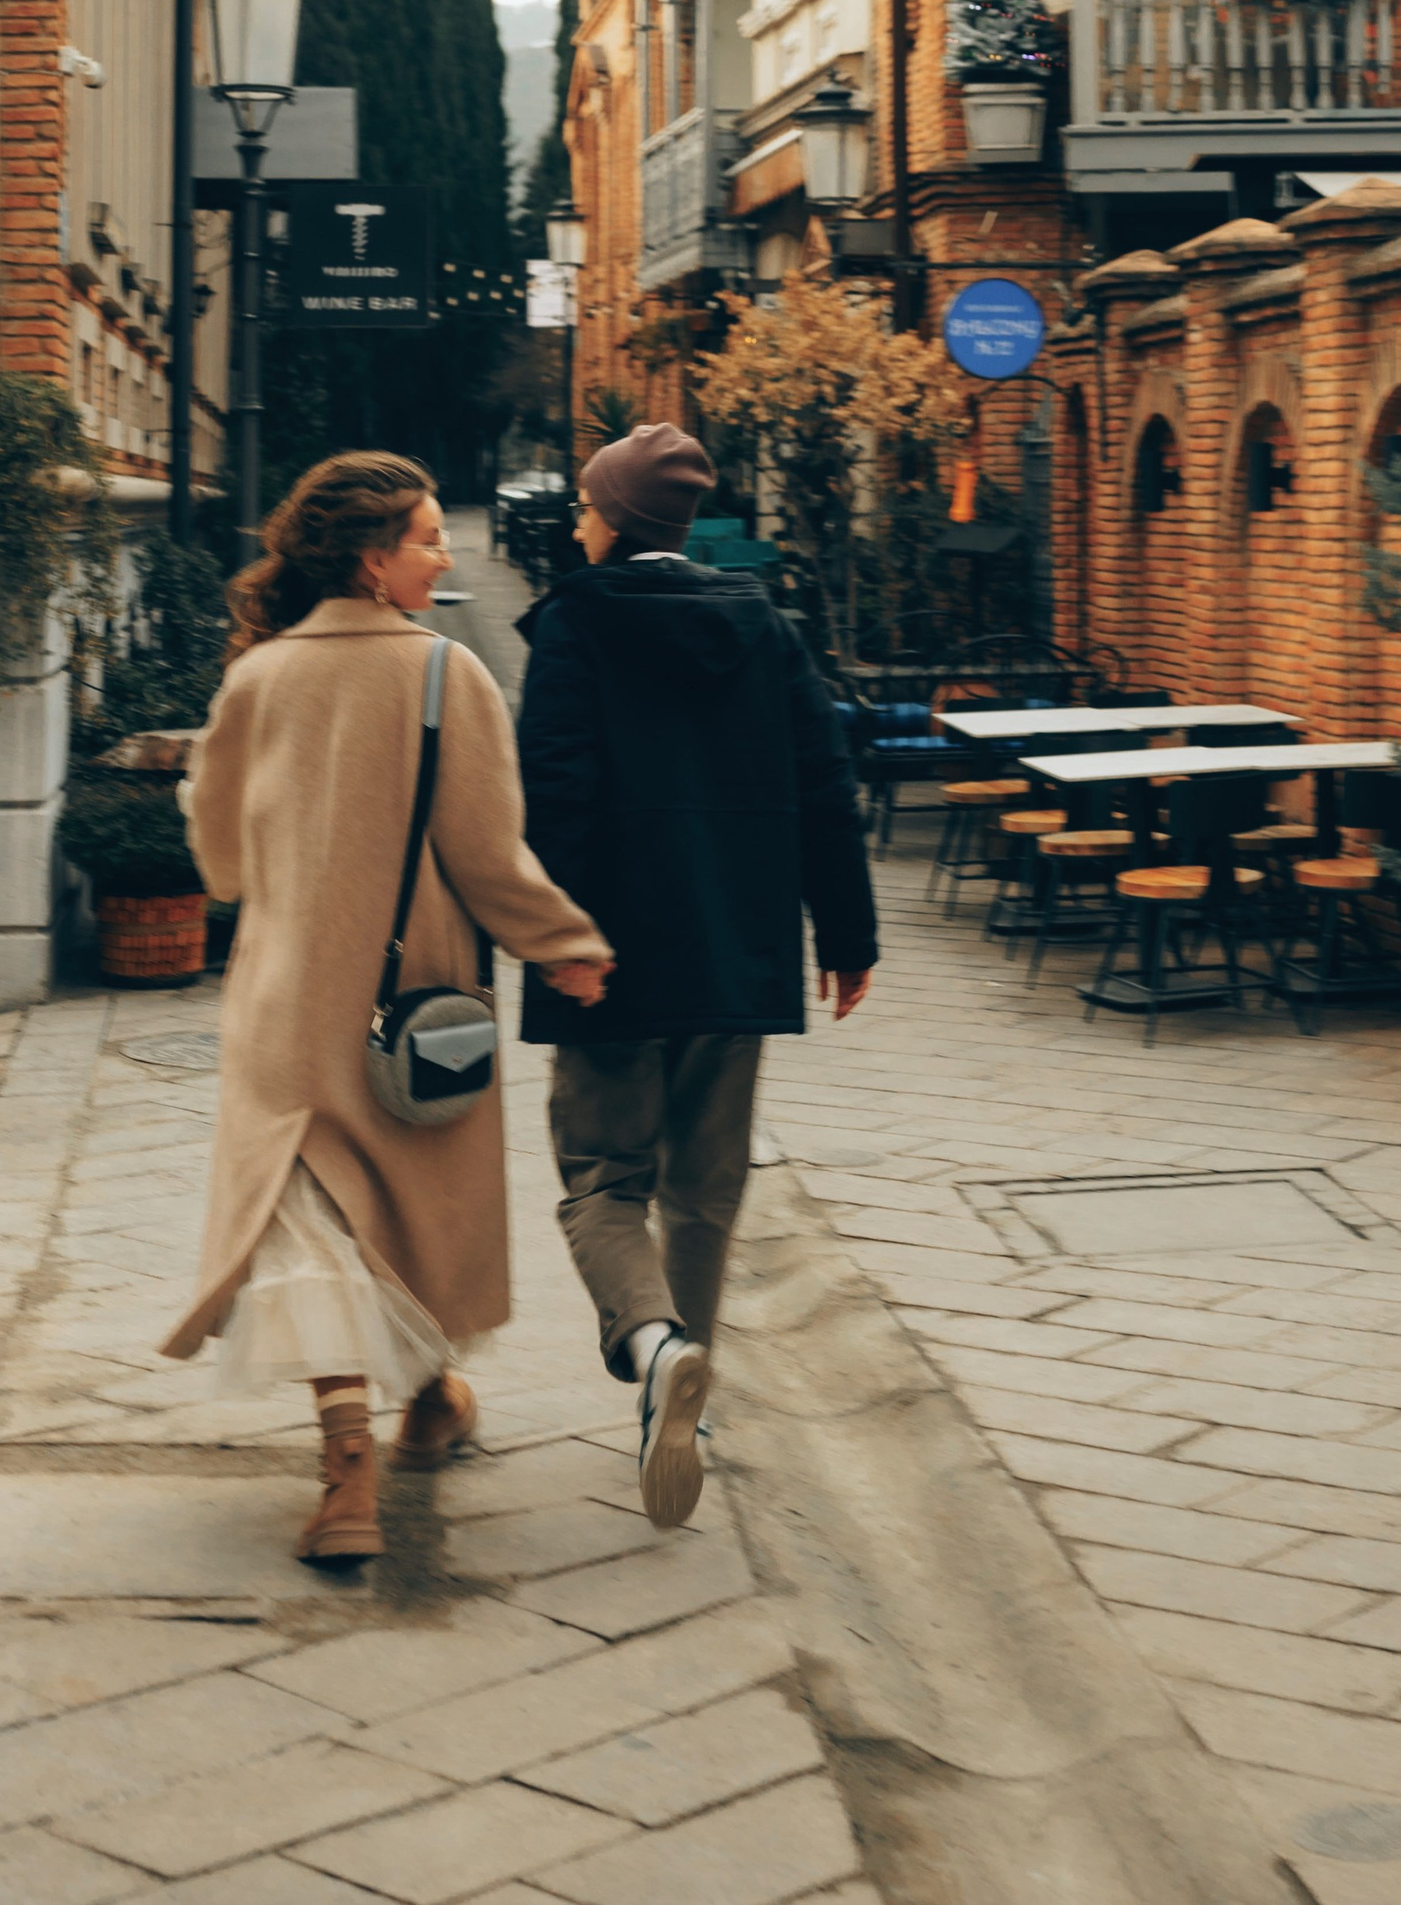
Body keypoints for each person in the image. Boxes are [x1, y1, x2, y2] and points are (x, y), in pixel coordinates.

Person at [163, 453, 613, 1566]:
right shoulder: (446, 675)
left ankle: (358, 1461)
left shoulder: (256, 677)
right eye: (426, 538)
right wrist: (566, 946)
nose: (445, 552)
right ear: (372, 558)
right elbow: (487, 854)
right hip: (411, 1009)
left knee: (310, 1230)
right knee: (407, 1218)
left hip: (284, 1009)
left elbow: (217, 862)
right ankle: (401, 1423)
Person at [516, 422, 874, 1531]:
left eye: (585, 503)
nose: (577, 519)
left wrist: (556, 937)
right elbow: (825, 779)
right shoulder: (764, 626)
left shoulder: (576, 624)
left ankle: (659, 1343)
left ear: (615, 518)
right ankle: (688, 1408)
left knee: (600, 1177)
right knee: (706, 1189)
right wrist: (847, 934)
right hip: (738, 947)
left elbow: (554, 798)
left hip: (612, 957)